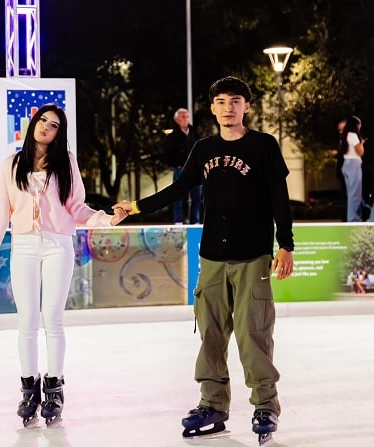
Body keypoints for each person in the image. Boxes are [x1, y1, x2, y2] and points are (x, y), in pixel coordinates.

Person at [113, 76, 294, 444]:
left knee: (252, 333)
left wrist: (285, 244)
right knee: (210, 333)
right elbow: (179, 188)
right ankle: (212, 403)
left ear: (247, 106)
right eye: (222, 101)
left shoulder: (263, 146)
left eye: (236, 101)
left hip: (252, 255)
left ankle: (265, 405)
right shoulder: (203, 148)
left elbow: (279, 197)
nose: (229, 107)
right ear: (212, 108)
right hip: (211, 256)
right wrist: (134, 207)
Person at [0, 104, 127, 427]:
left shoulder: (66, 163)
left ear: (58, 133)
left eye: (53, 125)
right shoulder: (11, 164)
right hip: (23, 246)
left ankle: (54, 387)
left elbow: (77, 208)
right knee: (27, 320)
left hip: (57, 245)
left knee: (52, 317)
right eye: (42, 121)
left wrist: (106, 218)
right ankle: (28, 389)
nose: (46, 127)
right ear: (33, 123)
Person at [163, 107, 202, 224]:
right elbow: (167, 154)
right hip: (180, 169)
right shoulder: (172, 136)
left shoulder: (194, 132)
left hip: (195, 169)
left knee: (197, 197)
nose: (186, 119)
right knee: (178, 196)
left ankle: (195, 221)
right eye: (183, 116)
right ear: (177, 120)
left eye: (187, 116)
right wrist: (177, 164)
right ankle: (178, 220)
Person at [339, 116, 365, 222]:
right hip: (354, 164)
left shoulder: (345, 136)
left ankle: (353, 217)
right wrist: (362, 144)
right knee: (355, 194)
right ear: (356, 125)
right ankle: (353, 218)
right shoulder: (353, 135)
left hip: (346, 164)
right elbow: (360, 152)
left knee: (351, 193)